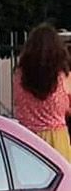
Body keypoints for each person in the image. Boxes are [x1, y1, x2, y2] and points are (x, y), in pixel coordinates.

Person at [12, 24, 71, 160]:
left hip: (26, 139)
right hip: (56, 140)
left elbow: (17, 102)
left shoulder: (19, 76)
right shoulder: (64, 77)